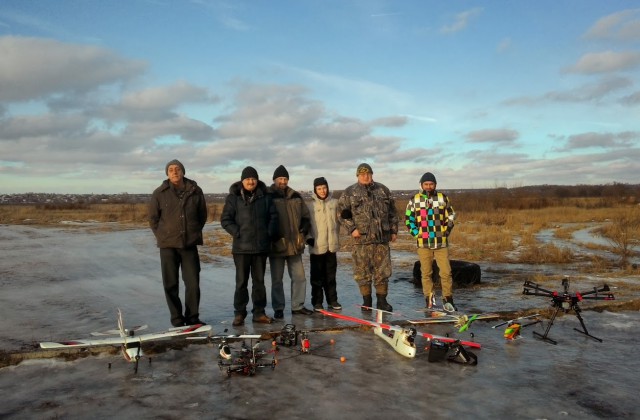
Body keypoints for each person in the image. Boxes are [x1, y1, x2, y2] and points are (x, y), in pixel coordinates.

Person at [148, 159, 208, 327]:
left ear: (183, 171)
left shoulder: (195, 191)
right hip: (168, 246)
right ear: (167, 173)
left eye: (177, 169)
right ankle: (176, 319)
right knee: (170, 283)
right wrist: (162, 235)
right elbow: (153, 219)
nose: (174, 172)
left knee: (193, 283)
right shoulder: (159, 193)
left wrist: (193, 231)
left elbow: (202, 215)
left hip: (189, 245)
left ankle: (192, 317)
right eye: (171, 169)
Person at [221, 166, 280, 326]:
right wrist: (237, 232)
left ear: (257, 180)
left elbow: (273, 217)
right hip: (241, 248)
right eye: (247, 179)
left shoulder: (265, 197)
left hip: (261, 248)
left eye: (253, 178)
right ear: (242, 181)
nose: (251, 181)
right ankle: (239, 313)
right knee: (241, 282)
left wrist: (268, 234)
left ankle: (259, 313)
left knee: (259, 282)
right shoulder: (233, 198)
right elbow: (226, 220)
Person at [337, 163, 398, 311]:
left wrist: (393, 230)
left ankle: (382, 301)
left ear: (372, 174)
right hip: (361, 240)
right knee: (362, 272)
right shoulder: (349, 193)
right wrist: (352, 229)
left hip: (381, 240)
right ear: (357, 175)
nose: (366, 176)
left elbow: (393, 212)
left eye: (368, 173)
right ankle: (367, 301)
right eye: (362, 174)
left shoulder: (383, 190)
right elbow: (341, 213)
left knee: (382, 271)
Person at [404, 172, 457, 312]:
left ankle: (448, 299)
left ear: (435, 185)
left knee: (446, 272)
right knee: (426, 272)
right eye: (426, 184)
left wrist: (446, 231)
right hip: (424, 243)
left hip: (441, 242)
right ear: (421, 185)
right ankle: (429, 299)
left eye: (431, 184)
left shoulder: (442, 198)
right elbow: (408, 219)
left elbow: (451, 214)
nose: (428, 186)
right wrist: (417, 234)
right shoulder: (414, 200)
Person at [269, 165, 313, 318]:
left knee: (300, 277)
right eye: (280, 178)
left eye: (285, 178)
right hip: (277, 244)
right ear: (274, 179)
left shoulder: (296, 196)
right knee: (277, 280)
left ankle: (297, 305)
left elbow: (306, 215)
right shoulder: (268, 196)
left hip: (295, 244)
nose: (283, 181)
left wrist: (305, 226)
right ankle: (278, 308)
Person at [307, 177, 341, 311]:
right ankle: (317, 302)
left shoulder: (335, 203)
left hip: (331, 245)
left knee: (331, 276)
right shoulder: (310, 206)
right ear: (315, 190)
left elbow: (341, 219)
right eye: (319, 188)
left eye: (324, 188)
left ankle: (333, 300)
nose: (322, 191)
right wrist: (308, 238)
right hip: (316, 246)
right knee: (317, 277)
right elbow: (305, 224)